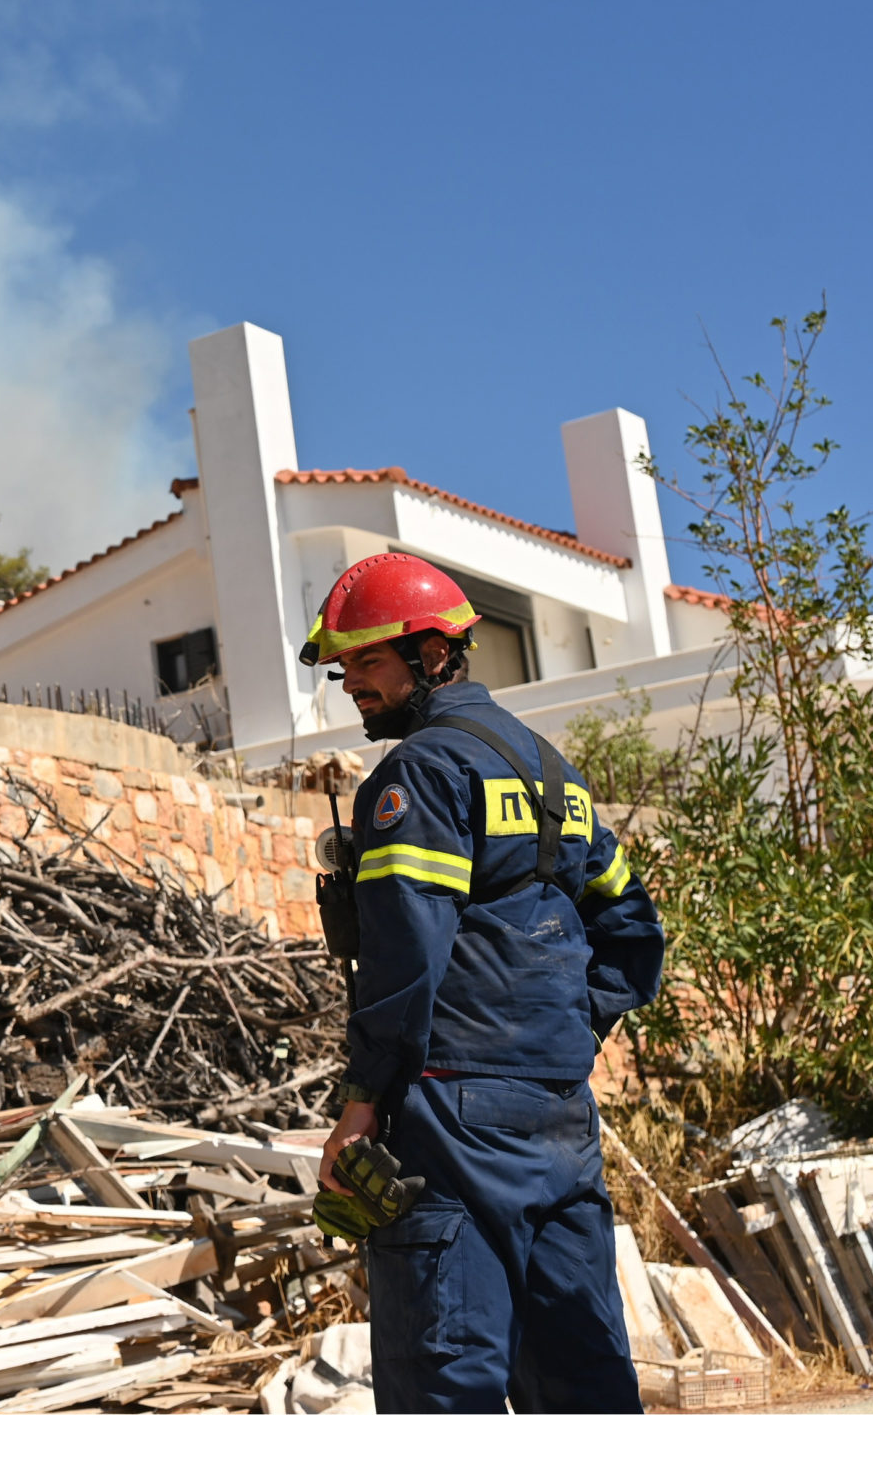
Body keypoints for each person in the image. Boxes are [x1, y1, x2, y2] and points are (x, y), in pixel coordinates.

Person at [303, 552, 664, 1413]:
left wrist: (360, 1103)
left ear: (434, 654)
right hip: (561, 1118)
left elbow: (405, 957)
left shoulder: (419, 775)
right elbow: (634, 931)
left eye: (368, 660)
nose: (352, 683)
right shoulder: (555, 777)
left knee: (446, 1385)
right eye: (344, 666)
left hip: (453, 1121)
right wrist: (567, 1033)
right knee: (587, 1385)